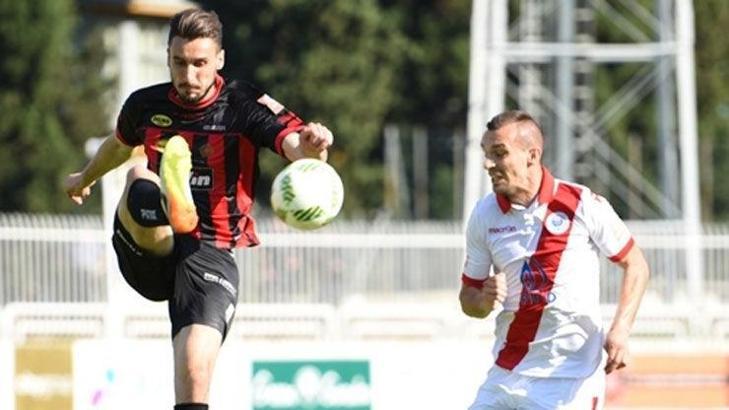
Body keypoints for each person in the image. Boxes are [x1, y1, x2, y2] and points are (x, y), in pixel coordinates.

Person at [64, 8, 333, 410]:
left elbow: (297, 148)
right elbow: (119, 146)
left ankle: (175, 203)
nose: (188, 75)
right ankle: (170, 208)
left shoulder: (243, 104)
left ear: (219, 59)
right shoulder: (145, 104)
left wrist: (313, 148)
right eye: (179, 63)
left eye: (199, 64)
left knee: (194, 367)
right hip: (148, 251)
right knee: (139, 177)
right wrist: (85, 177)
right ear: (168, 57)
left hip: (211, 249)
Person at [459, 110, 650, 409]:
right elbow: (469, 298)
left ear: (532, 155)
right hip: (506, 374)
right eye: (486, 154)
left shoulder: (582, 203)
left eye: (499, 153)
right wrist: (482, 300)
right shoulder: (484, 214)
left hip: (569, 379)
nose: (488, 164)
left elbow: (635, 264)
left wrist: (621, 329)